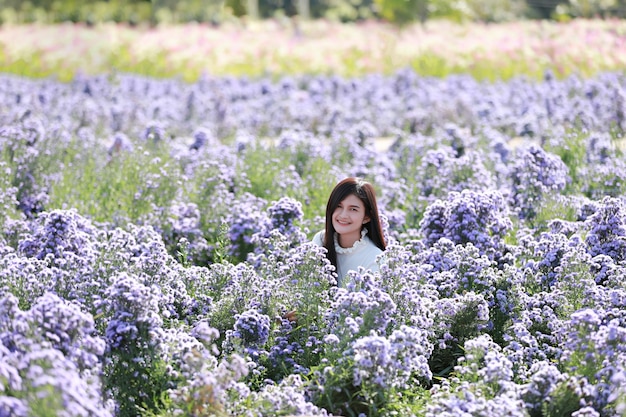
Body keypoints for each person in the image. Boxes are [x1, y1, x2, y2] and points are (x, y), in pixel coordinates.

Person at [313, 177, 387, 286]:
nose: (343, 215)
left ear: (367, 217)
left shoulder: (375, 259)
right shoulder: (321, 240)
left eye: (353, 209)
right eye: (338, 206)